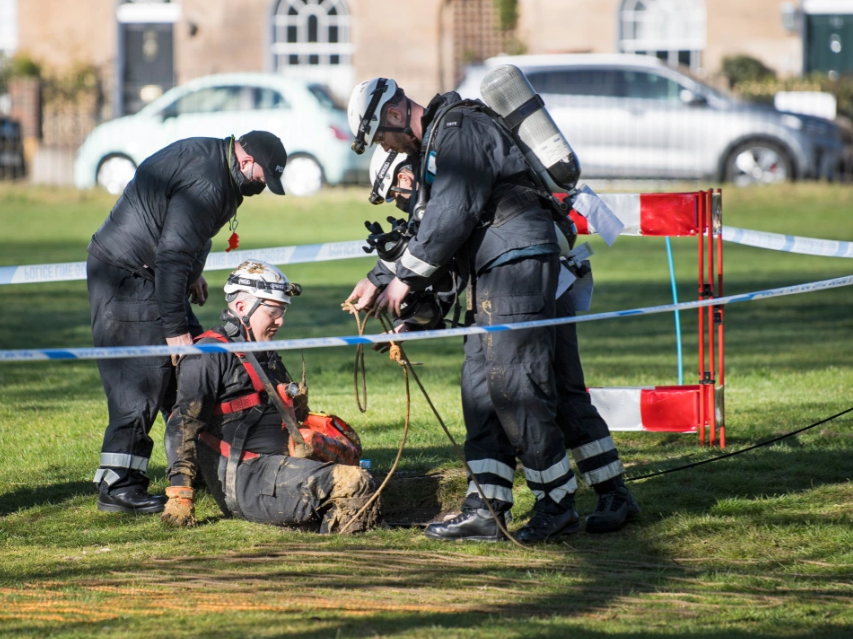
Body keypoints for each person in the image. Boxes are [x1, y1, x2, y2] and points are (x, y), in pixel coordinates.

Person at [345, 78, 638, 542]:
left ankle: (556, 502)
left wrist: (402, 279)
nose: (386, 146)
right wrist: (384, 281)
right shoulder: (438, 146)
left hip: (516, 269)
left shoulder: (460, 129)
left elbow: (451, 215)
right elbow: (432, 231)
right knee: (484, 388)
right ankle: (488, 505)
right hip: (499, 273)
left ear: (396, 114)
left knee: (517, 386)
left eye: (382, 137)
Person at [87, 131, 288, 514]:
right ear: (246, 162)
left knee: (193, 370)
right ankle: (118, 486)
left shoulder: (220, 167)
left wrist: (193, 273)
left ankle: (197, 466)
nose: (261, 185)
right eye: (262, 177)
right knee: (143, 374)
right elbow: (174, 252)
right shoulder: (209, 181)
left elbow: (192, 235)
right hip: (126, 275)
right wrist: (175, 329)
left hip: (153, 270)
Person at [161, 261, 379, 532]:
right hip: (245, 479)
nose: (280, 321)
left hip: (280, 466)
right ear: (242, 308)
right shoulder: (208, 354)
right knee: (353, 483)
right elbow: (182, 424)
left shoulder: (262, 350)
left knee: (368, 475)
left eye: (282, 312)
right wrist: (180, 493)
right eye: (273, 312)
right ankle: (338, 557)